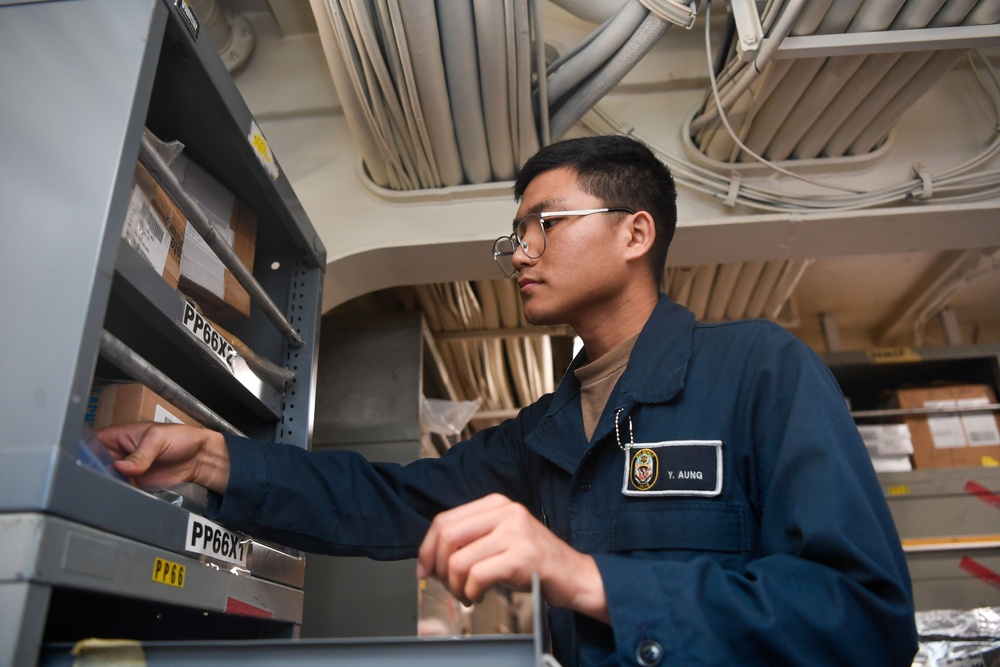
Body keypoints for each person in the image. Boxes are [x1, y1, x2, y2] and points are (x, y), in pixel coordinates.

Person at [96, 135, 918, 667]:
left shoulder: (759, 373)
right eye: (513, 233)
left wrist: (584, 574)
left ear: (636, 234)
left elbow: (862, 617)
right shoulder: (546, 432)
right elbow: (389, 500)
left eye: (545, 223)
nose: (516, 251)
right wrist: (211, 455)